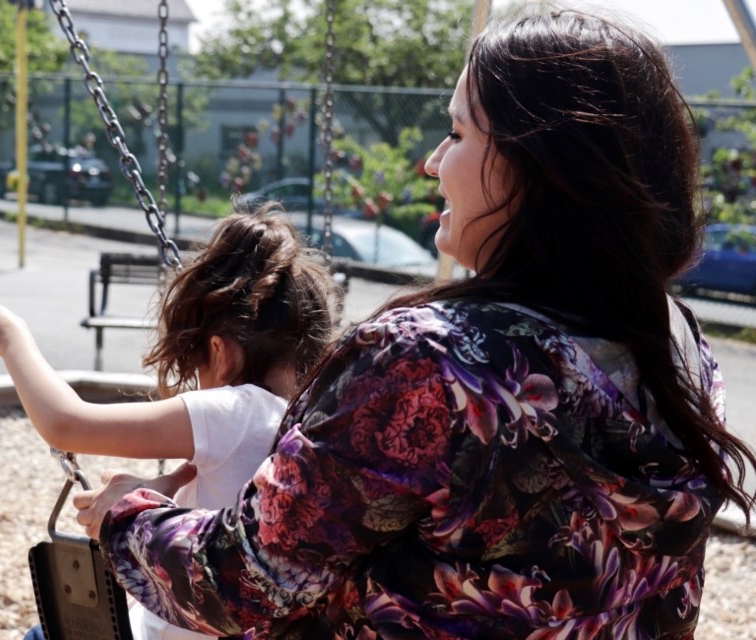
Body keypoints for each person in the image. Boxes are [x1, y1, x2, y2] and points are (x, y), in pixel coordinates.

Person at [70, 5, 756, 639]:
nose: (432, 161)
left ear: (537, 166)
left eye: (457, 132)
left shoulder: (432, 362)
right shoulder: (676, 344)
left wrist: (127, 514)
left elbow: (241, 581)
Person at [0, 205, 342, 640]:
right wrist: (156, 493)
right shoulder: (313, 421)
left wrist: (11, 339)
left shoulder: (238, 409)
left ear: (221, 354)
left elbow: (66, 423)